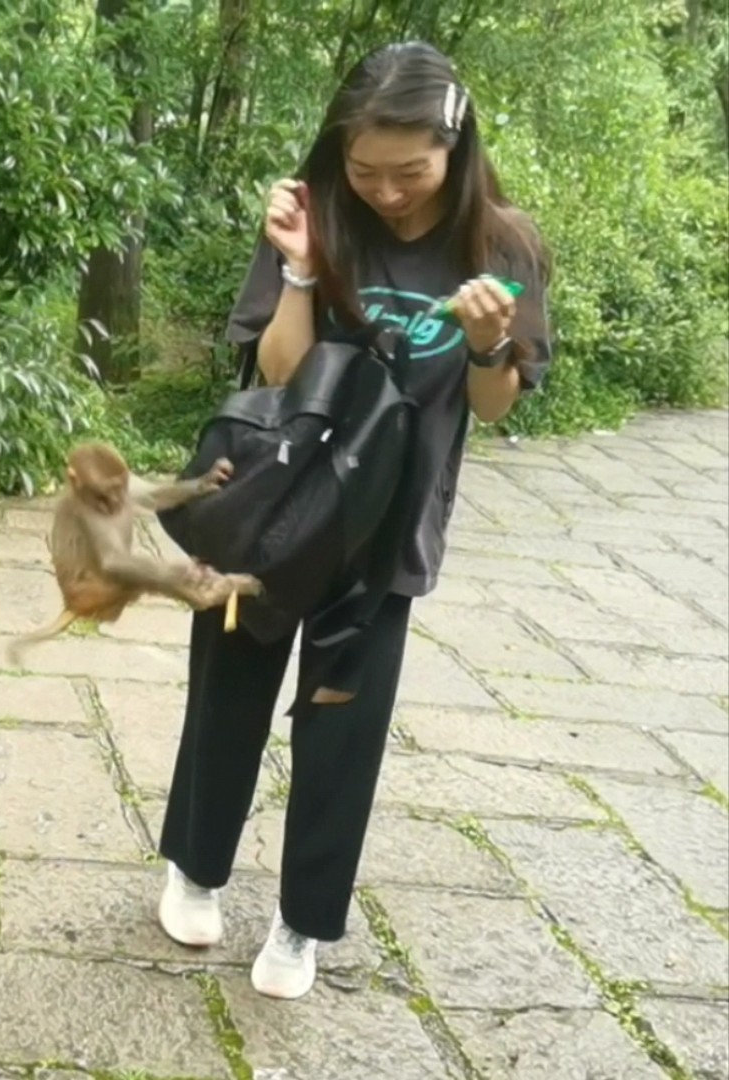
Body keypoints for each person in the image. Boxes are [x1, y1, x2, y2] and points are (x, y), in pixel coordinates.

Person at [153, 40, 553, 1001]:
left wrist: (489, 344)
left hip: (387, 531)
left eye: (408, 171)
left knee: (342, 730)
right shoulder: (313, 212)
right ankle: (196, 867)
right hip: (272, 510)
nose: (384, 191)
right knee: (226, 700)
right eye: (364, 169)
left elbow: (493, 408)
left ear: (454, 150)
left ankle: (301, 925)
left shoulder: (504, 247)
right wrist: (299, 272)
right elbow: (281, 374)